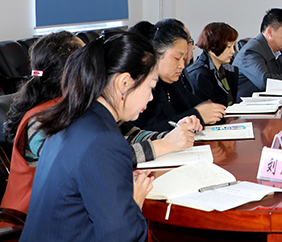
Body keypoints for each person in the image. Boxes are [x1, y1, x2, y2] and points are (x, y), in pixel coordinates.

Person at [1, 31, 198, 214]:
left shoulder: (81, 107)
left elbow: (127, 135)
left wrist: (172, 136)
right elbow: (96, 161)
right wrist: (162, 145)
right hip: (34, 221)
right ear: (75, 71)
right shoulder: (41, 121)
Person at [16, 33, 157, 242]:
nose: (151, 97)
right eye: (151, 86)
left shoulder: (72, 117)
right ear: (124, 82)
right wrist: (134, 204)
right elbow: (121, 240)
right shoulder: (103, 139)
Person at [132, 19, 226, 131]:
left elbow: (196, 106)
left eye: (184, 58)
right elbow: (147, 130)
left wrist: (209, 113)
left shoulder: (173, 83)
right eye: (177, 58)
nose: (182, 65)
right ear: (155, 55)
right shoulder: (140, 88)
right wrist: (198, 115)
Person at [234, 8, 282, 99]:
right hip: (249, 105)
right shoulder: (251, 51)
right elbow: (265, 82)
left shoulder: (272, 50)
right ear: (270, 32)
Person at [185, 22, 240, 106]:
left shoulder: (227, 69)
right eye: (229, 47)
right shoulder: (199, 75)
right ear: (214, 46)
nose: (233, 51)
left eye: (233, 46)